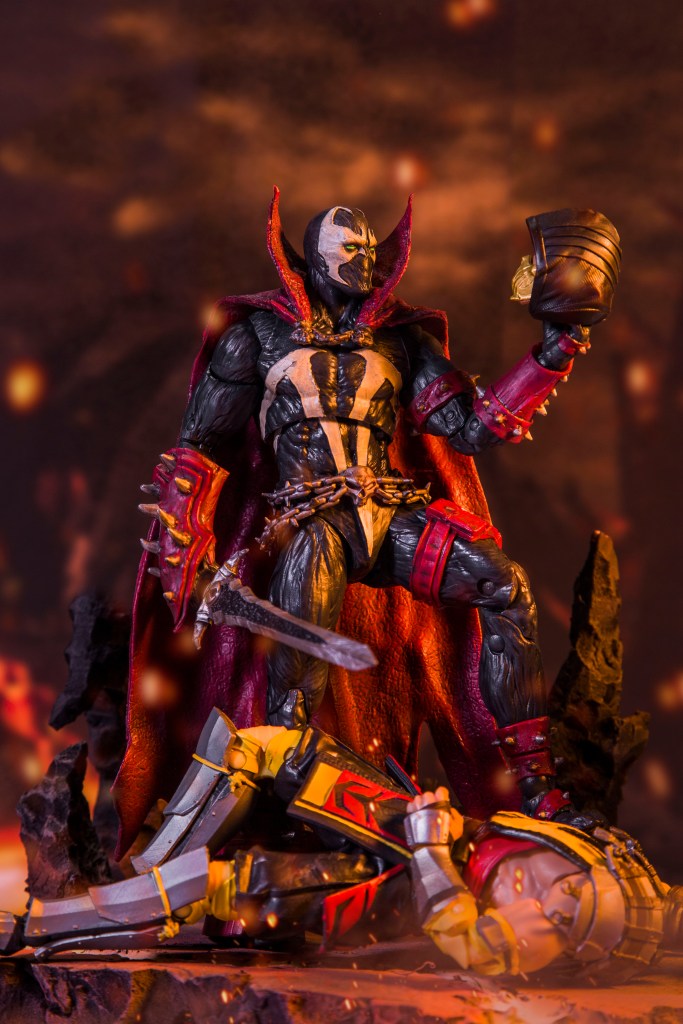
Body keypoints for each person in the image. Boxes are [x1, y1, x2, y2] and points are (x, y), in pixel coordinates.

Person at [114, 194, 621, 858]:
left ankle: (536, 788)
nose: (366, 259)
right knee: (305, 627)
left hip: (388, 515)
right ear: (312, 259)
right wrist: (187, 546)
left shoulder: (400, 340)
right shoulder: (257, 338)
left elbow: (472, 428)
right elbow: (200, 445)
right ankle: (289, 792)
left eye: (371, 249)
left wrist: (551, 354)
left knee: (504, 585)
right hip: (307, 517)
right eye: (350, 249)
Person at [3, 713, 677, 985]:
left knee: (211, 885)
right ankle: (133, 878)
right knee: (262, 745)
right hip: (408, 824)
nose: (549, 900)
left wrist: (428, 851)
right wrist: (431, 828)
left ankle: (41, 927)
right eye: (571, 888)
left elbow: (468, 941)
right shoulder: (574, 846)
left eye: (567, 918)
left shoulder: (556, 929)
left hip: (375, 895)